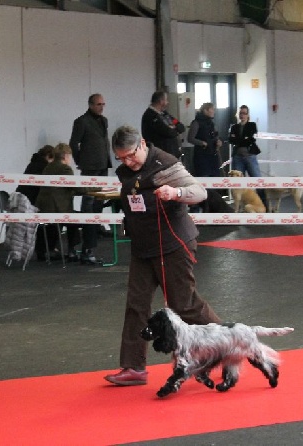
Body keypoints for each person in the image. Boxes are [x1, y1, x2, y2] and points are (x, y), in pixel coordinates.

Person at [103, 125, 221, 386]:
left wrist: (175, 193)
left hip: (173, 245)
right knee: (137, 306)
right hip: (143, 247)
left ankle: (226, 343)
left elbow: (199, 192)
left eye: (131, 155)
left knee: (184, 304)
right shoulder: (126, 171)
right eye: (121, 158)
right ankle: (133, 367)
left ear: (142, 144)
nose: (127, 162)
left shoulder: (165, 164)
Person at [35, 143, 99, 262]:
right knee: (89, 219)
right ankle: (87, 251)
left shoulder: (48, 168)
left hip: (45, 209)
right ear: (66, 156)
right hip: (58, 211)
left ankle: (72, 250)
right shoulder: (65, 169)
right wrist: (97, 187)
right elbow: (77, 188)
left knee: (73, 219)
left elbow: (60, 190)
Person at [69, 93, 112, 265]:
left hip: (102, 167)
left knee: (98, 205)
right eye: (98, 104)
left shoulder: (104, 121)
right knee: (88, 206)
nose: (101, 107)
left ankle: (91, 246)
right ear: (90, 105)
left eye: (103, 104)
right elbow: (73, 144)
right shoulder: (81, 121)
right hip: (90, 168)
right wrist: (80, 161)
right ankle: (87, 248)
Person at [141, 91, 186, 159]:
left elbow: (180, 125)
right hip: (160, 155)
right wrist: (175, 130)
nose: (168, 102)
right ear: (161, 101)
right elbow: (168, 132)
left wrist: (174, 128)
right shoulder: (150, 116)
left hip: (172, 154)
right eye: (166, 100)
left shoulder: (165, 114)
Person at [187, 102, 223, 178]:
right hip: (201, 156)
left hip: (213, 155)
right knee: (204, 178)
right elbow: (190, 138)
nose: (214, 111)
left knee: (216, 178)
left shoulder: (211, 123)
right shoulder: (196, 123)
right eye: (212, 109)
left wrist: (218, 141)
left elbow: (216, 135)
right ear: (205, 110)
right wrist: (202, 143)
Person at [228, 105, 261, 178]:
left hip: (250, 155)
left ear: (248, 115)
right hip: (237, 157)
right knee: (237, 181)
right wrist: (244, 138)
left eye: (244, 113)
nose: (242, 115)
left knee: (257, 178)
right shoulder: (234, 127)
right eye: (240, 113)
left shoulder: (252, 125)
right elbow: (231, 140)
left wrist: (238, 139)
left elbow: (251, 139)